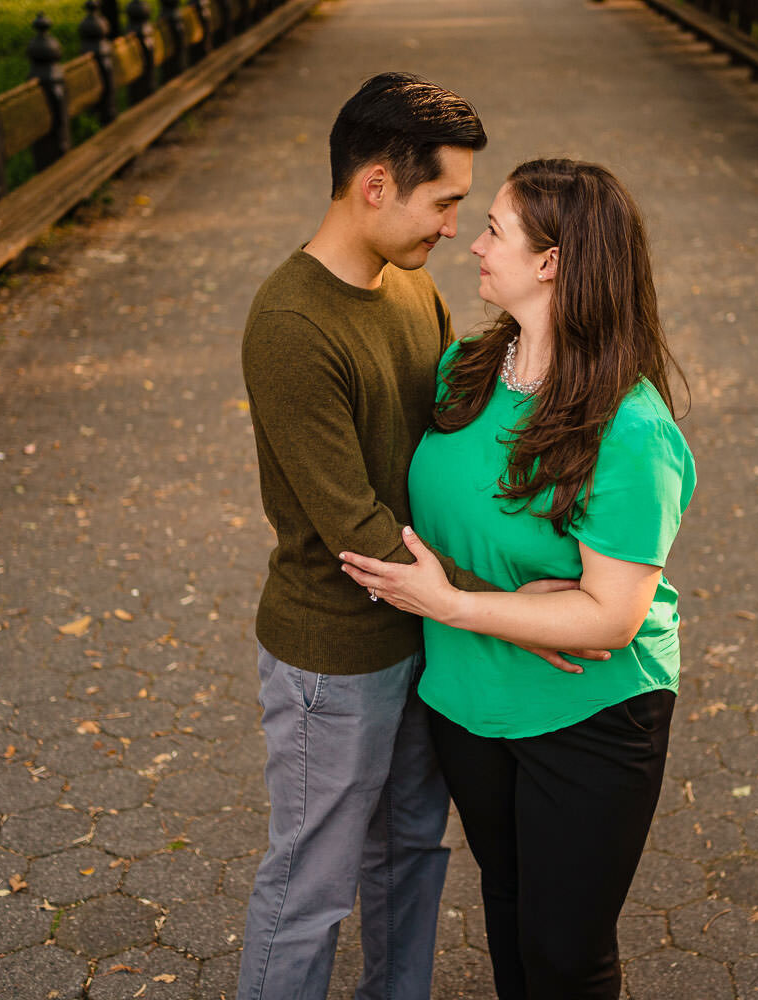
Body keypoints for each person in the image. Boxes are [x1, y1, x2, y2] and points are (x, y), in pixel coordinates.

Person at [340, 158, 697, 1000]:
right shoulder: (464, 371)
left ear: (553, 263)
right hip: (469, 703)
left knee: (565, 952)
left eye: (495, 228)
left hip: (589, 714)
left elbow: (611, 619)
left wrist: (459, 605)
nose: (472, 244)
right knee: (508, 911)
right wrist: (503, 603)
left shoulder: (631, 427)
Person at [234, 72, 490, 1000]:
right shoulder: (292, 323)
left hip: (426, 630)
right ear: (375, 184)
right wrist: (496, 603)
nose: (454, 227)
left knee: (413, 852)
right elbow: (358, 530)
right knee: (311, 887)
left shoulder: (411, 291)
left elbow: (461, 433)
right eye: (445, 201)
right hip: (334, 659)